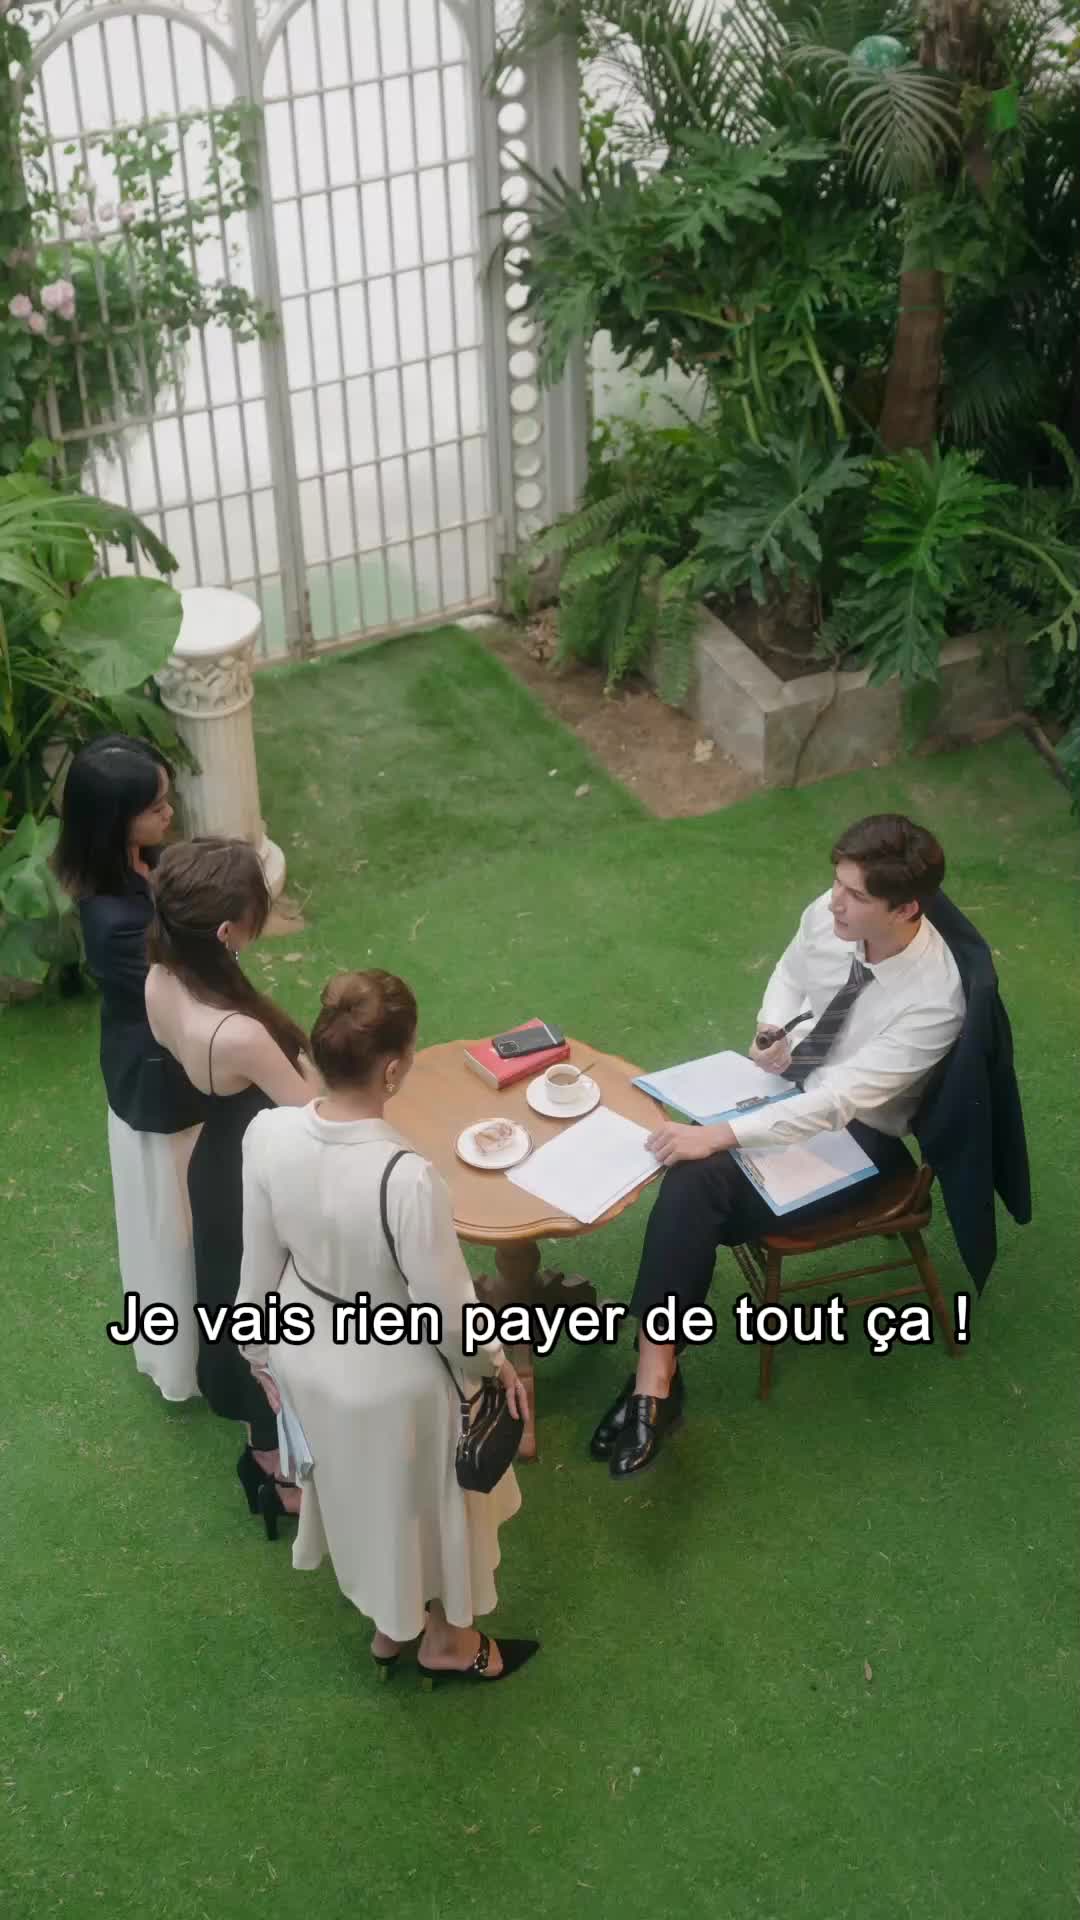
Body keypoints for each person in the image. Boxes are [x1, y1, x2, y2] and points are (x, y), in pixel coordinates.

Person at [590, 813, 967, 1479]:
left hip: (862, 1140)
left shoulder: (935, 1000)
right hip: (788, 1086)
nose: (834, 902)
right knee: (694, 1178)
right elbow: (792, 973)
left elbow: (836, 1103)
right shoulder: (831, 914)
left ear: (907, 908)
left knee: (696, 1181)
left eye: (855, 895)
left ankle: (655, 1381)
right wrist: (773, 1028)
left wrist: (719, 1134)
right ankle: (657, 1377)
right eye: (836, 883)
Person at [234, 970, 538, 1687]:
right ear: (395, 1068)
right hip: (394, 1375)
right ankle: (448, 1642)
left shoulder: (267, 1132)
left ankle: (391, 1624)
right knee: (430, 1504)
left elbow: (257, 1265)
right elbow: (452, 1319)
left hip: (304, 1351)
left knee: (365, 1496)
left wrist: (258, 1354)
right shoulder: (406, 1178)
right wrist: (498, 1367)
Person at [145, 837, 315, 1528]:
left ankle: (263, 1452)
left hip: (216, 1165)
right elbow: (311, 1110)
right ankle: (280, 1471)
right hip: (259, 1177)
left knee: (234, 1303)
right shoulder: (236, 1033)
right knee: (271, 1312)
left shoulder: (160, 979)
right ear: (223, 932)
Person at [55, 734, 208, 1403]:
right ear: (116, 821)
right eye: (155, 806)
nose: (169, 813)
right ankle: (183, 1360)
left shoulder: (151, 864)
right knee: (173, 1225)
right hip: (158, 1083)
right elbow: (184, 991)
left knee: (199, 1215)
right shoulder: (112, 920)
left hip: (177, 1065)